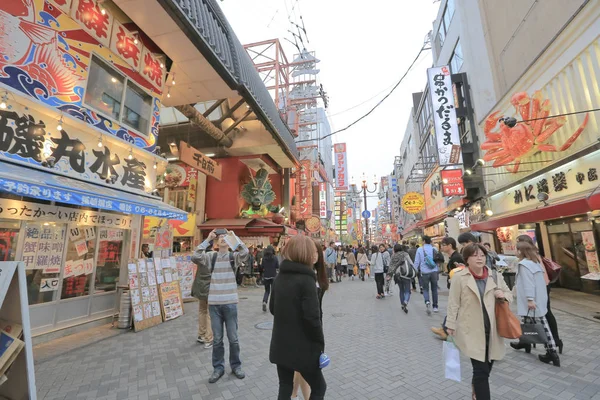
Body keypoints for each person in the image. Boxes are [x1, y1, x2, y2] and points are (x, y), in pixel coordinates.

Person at [446, 243, 512, 400]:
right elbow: (453, 302)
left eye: (482, 255)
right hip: (471, 329)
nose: (479, 258)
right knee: (480, 370)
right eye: (475, 255)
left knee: (488, 365)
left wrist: (502, 294)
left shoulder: (494, 275)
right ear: (467, 259)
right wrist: (450, 324)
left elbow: (509, 294)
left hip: (493, 329)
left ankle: (476, 386)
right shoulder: (459, 277)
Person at [270, 235, 326, 400]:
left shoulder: (280, 277)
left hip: (281, 344)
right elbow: (312, 319)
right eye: (312, 251)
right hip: (304, 347)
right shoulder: (307, 280)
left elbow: (273, 308)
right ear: (306, 253)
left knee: (285, 387)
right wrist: (319, 344)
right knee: (319, 387)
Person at [192, 229, 249, 383]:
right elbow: (195, 256)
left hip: (230, 303)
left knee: (233, 339)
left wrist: (235, 237)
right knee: (217, 339)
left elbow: (245, 252)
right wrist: (208, 239)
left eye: (225, 237)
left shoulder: (233, 257)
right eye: (220, 237)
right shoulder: (211, 256)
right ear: (216, 242)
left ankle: (236, 366)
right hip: (214, 304)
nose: (222, 239)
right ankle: (218, 368)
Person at [510, 242, 561, 366]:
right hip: (539, 298)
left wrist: (530, 299)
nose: (514, 252)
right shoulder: (535, 262)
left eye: (516, 249)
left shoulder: (524, 265)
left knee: (542, 324)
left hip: (532, 300)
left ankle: (552, 351)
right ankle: (526, 341)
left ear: (521, 251)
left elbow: (528, 283)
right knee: (528, 322)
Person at [431, 236, 465, 340]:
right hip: (455, 288)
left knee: (454, 309)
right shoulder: (453, 257)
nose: (441, 248)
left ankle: (445, 330)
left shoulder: (456, 257)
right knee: (454, 309)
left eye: (443, 245)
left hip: (458, 289)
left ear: (450, 246)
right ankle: (446, 329)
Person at [191, 244, 215, 350]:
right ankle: (209, 338)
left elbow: (194, 257)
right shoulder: (215, 255)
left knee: (202, 310)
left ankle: (201, 334)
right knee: (210, 313)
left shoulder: (201, 256)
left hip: (201, 287)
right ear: (213, 246)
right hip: (211, 287)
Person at [413, 235, 442, 315]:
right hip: (434, 271)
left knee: (425, 288)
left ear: (424, 241)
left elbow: (417, 262)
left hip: (424, 272)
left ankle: (427, 301)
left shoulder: (420, 249)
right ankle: (435, 307)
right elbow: (438, 260)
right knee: (434, 289)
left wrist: (414, 271)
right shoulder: (434, 249)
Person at [387, 244, 414, 313]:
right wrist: (415, 271)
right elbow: (411, 263)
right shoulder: (405, 254)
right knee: (407, 290)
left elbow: (391, 266)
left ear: (394, 249)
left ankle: (402, 304)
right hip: (405, 274)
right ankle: (405, 301)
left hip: (397, 275)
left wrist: (389, 274)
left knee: (401, 290)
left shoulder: (393, 255)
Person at [261, 246, 279, 312]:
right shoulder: (275, 258)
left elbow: (262, 266)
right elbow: (277, 266)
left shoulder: (264, 258)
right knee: (273, 291)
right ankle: (273, 305)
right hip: (273, 276)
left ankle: (264, 302)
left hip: (266, 276)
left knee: (267, 291)